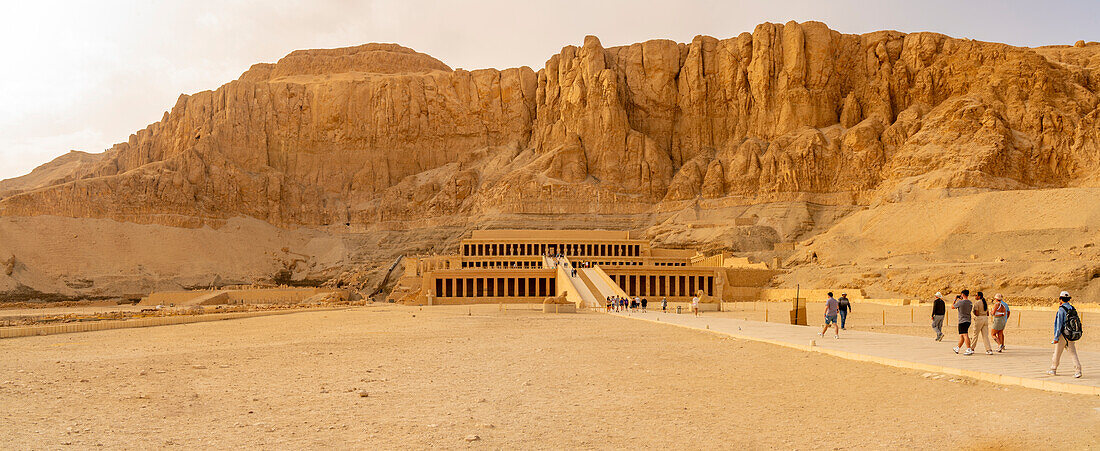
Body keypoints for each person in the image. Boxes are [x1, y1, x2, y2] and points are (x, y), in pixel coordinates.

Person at [1049, 291, 1082, 378]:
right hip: (1070, 335)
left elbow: (1059, 325)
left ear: (1060, 299)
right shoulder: (1072, 308)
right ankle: (1078, 370)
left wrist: (1056, 337)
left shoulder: (1061, 310)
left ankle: (1053, 369)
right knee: (1073, 353)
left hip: (1062, 335)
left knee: (1057, 353)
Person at [952, 290, 974, 355]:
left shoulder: (960, 302)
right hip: (968, 320)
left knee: (965, 334)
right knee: (962, 335)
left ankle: (968, 349)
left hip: (962, 320)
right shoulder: (970, 302)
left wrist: (955, 299)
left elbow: (952, 306)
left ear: (962, 294)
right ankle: (958, 348)